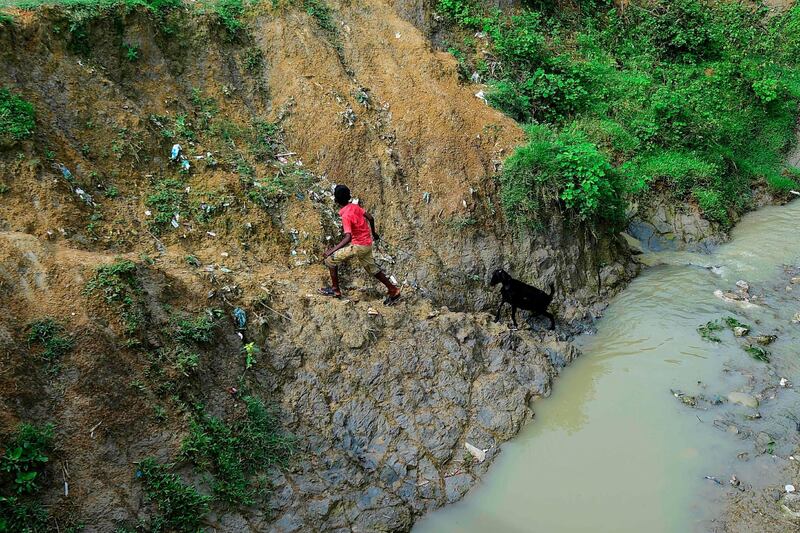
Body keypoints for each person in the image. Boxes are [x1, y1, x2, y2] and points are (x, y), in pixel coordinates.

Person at [319, 185, 401, 305]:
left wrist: (331, 250)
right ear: (348, 197)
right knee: (373, 269)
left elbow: (348, 237)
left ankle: (335, 290)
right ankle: (393, 290)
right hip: (367, 244)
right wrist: (374, 233)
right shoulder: (355, 207)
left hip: (358, 246)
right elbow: (370, 218)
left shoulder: (346, 215)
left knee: (330, 260)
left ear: (336, 200)